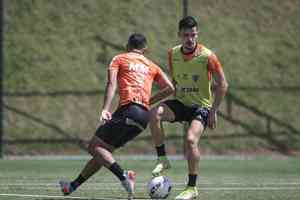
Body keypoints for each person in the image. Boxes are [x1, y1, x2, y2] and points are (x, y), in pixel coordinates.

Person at [59, 33, 174, 199]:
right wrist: (148, 102)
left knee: (94, 147)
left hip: (128, 110)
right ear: (145, 49)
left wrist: (105, 108)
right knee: (103, 153)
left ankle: (124, 175)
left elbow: (111, 84)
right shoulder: (152, 65)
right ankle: (72, 186)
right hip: (143, 118)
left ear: (127, 46)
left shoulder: (119, 59)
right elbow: (170, 88)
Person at [149, 16, 228, 200]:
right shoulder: (172, 54)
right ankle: (162, 159)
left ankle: (192, 188)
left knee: (191, 140)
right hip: (182, 104)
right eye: (186, 35)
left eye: (193, 34)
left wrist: (214, 111)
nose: (190, 38)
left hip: (201, 106)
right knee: (154, 113)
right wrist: (153, 99)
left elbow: (223, 84)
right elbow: (174, 82)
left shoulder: (208, 56)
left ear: (197, 34)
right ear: (179, 35)